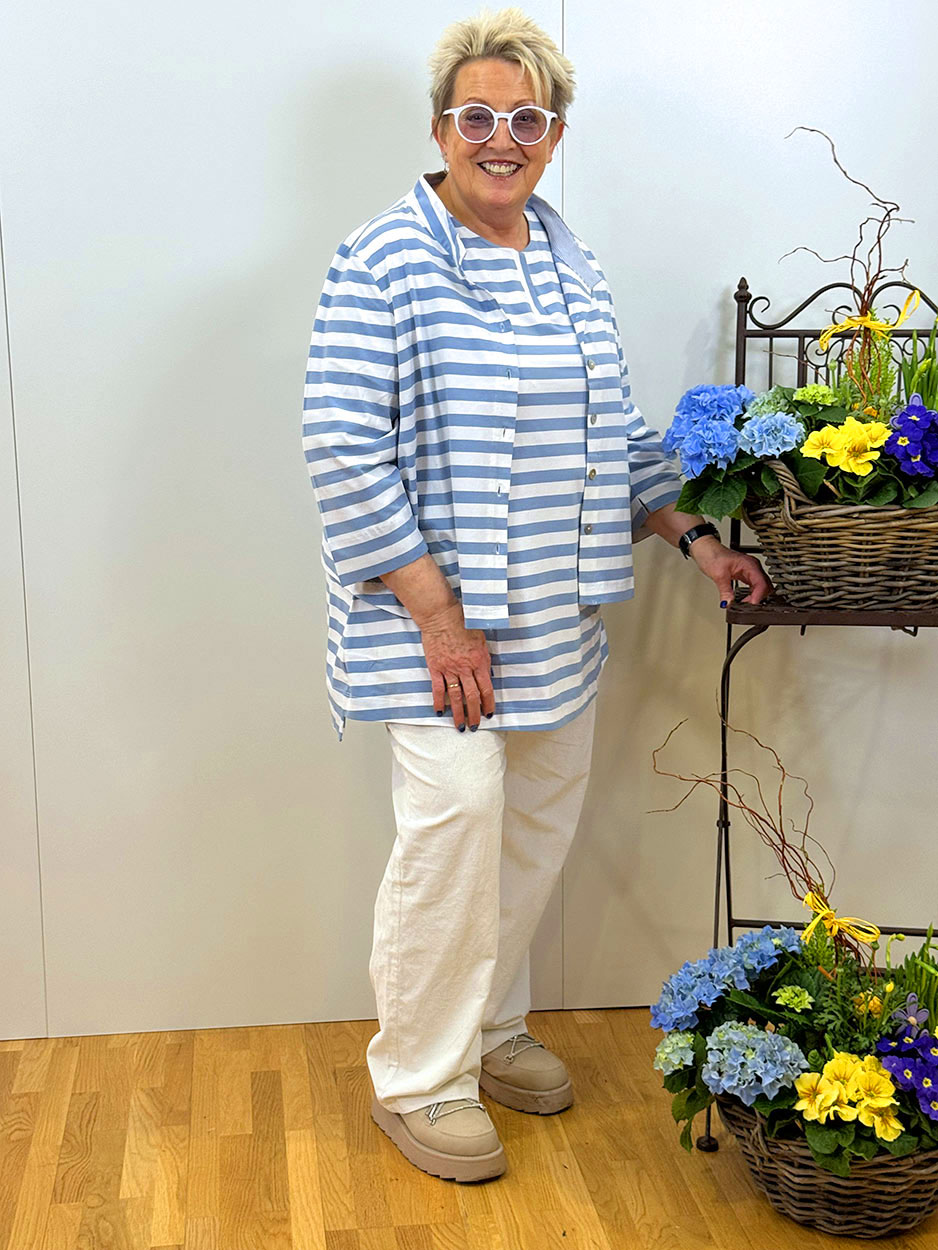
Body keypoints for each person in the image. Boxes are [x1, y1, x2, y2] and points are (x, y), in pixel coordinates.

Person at [301, 5, 770, 1183]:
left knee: (532, 830)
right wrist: (437, 616)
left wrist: (690, 535)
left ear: (553, 135)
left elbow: (612, 429)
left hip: (556, 621)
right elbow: (342, 445)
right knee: (455, 830)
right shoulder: (380, 258)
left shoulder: (569, 261)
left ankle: (488, 1024)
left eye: (525, 119)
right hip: (433, 625)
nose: (499, 139)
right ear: (439, 129)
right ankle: (419, 1074)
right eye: (476, 116)